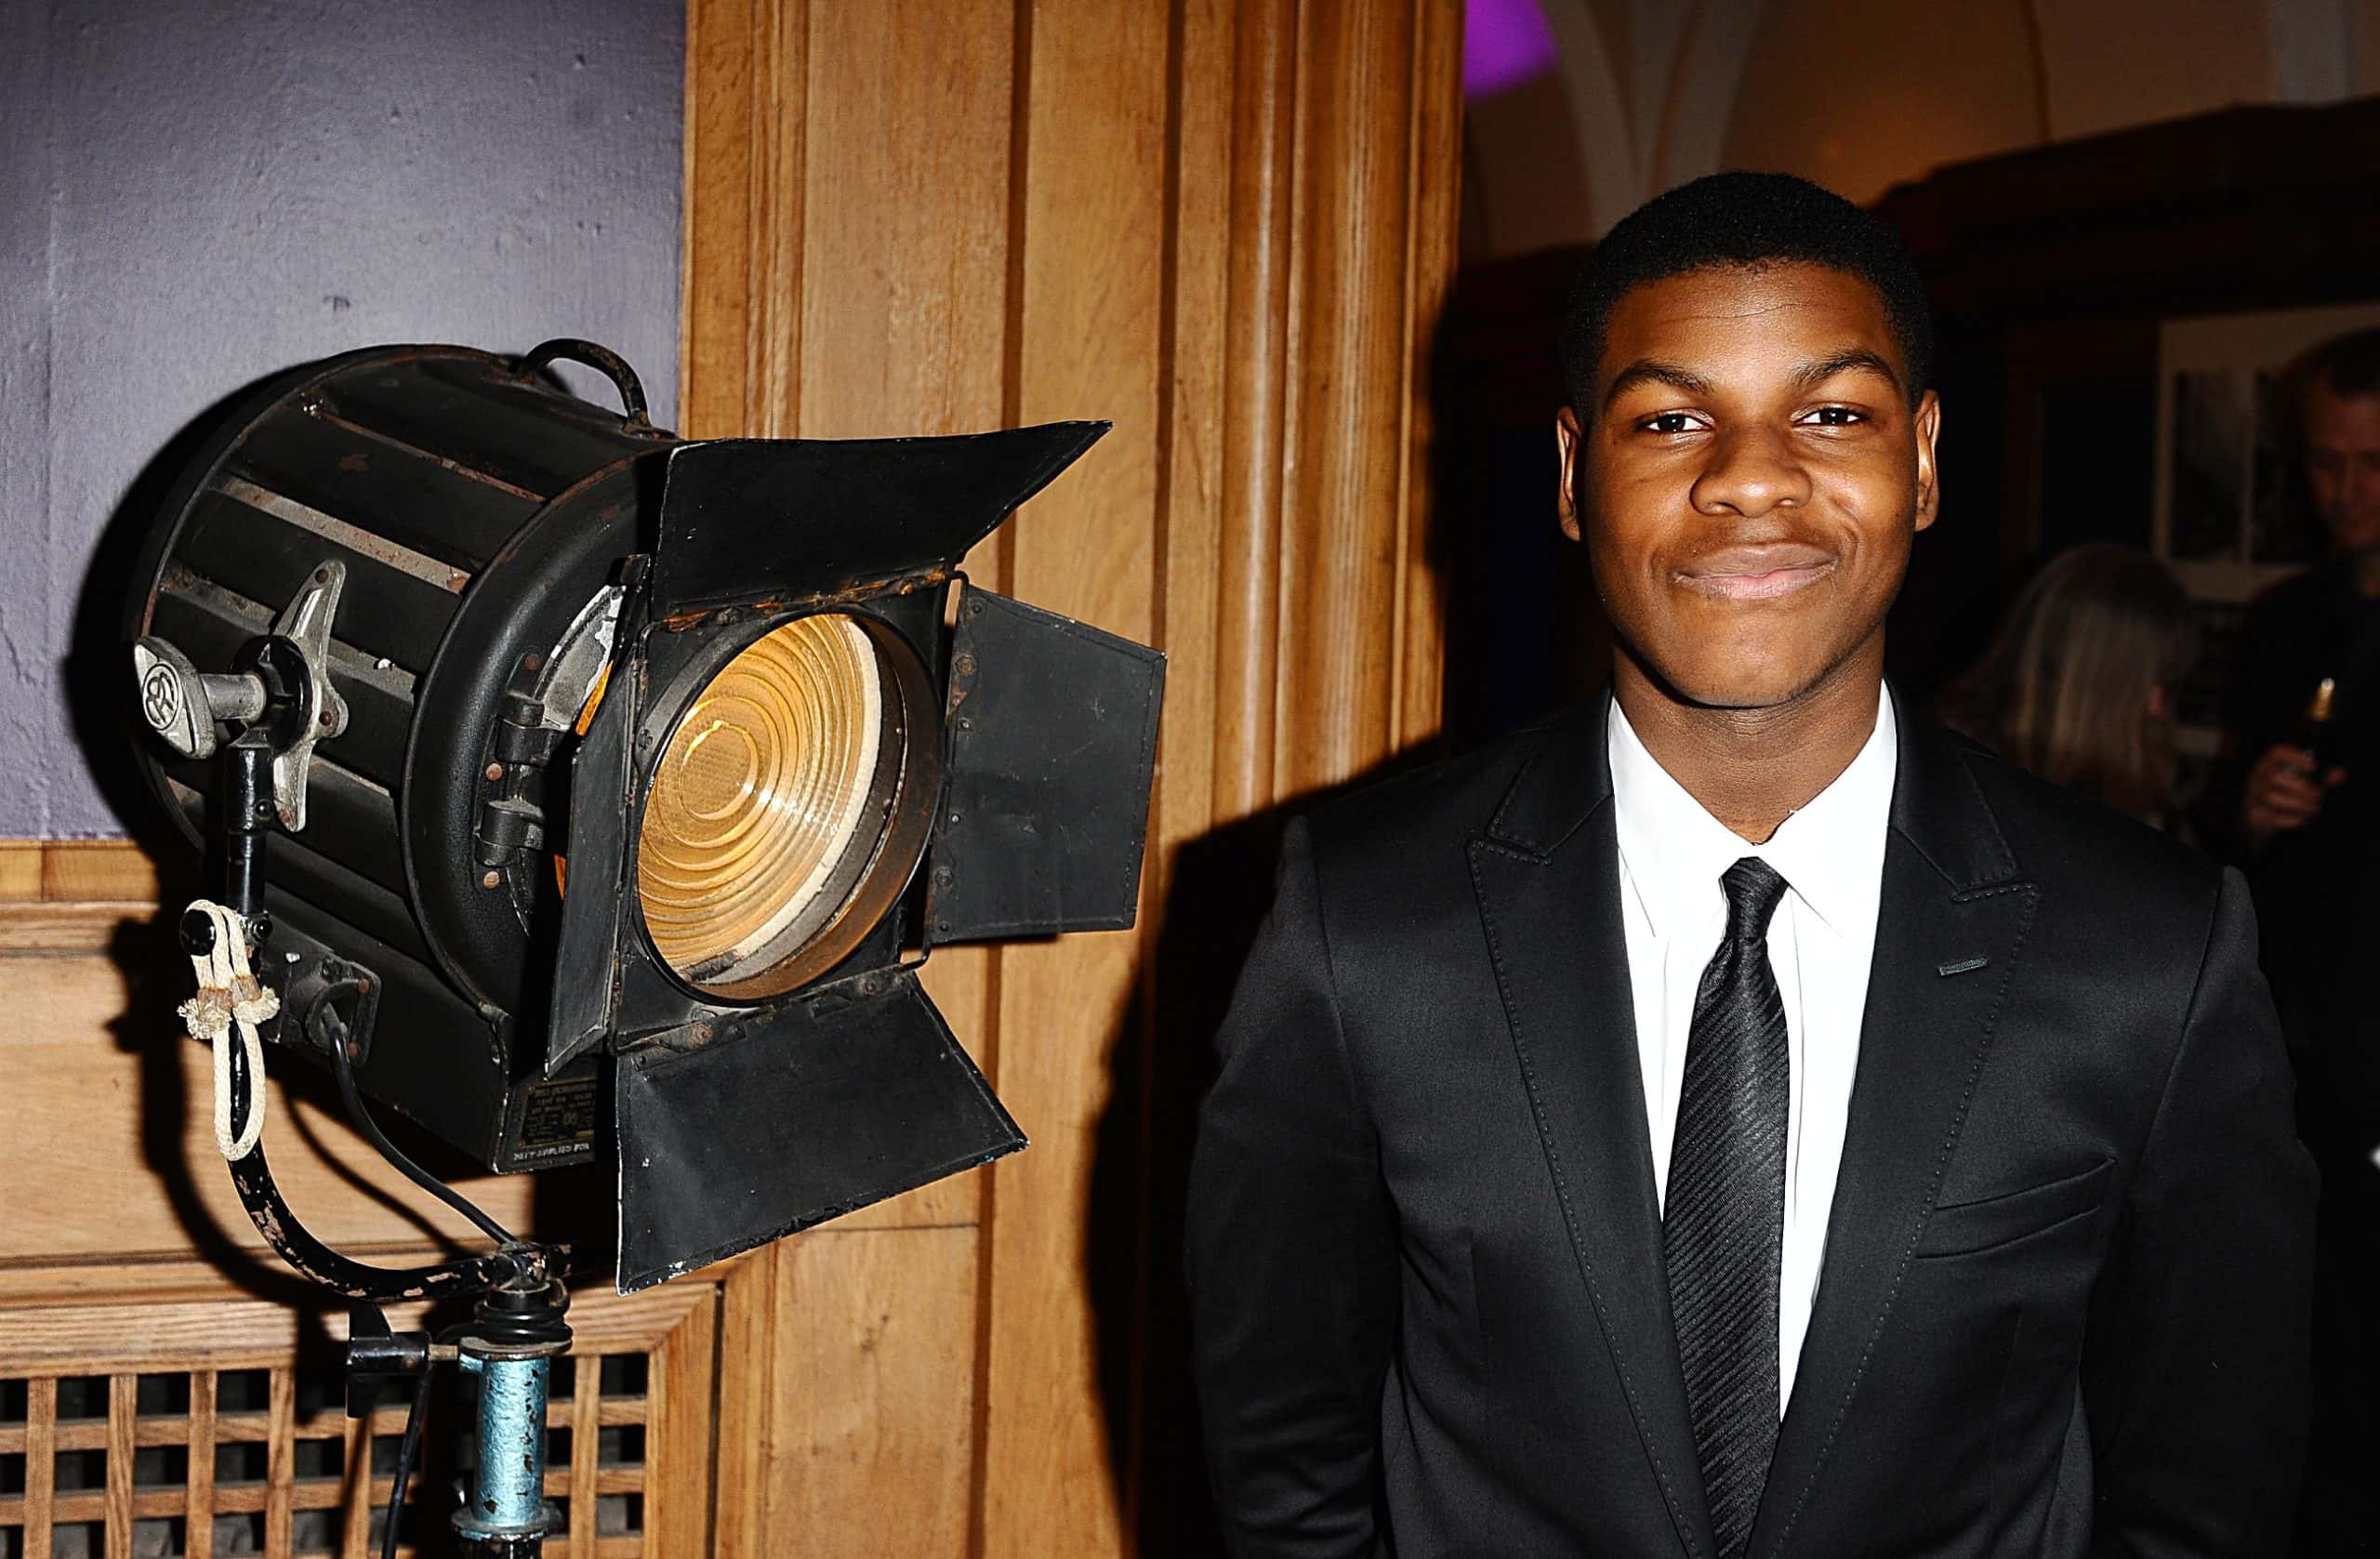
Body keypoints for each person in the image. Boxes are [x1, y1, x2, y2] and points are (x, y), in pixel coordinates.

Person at [1186, 172, 2313, 1558]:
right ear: (1568, 475)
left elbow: (2209, 1491)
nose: (1752, 476)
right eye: (1670, 418)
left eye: (1833, 412)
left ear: (1926, 459)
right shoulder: (1363, 921)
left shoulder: (2149, 948)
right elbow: (1283, 1470)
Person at [2215, 326, 2380, 1555]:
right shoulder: (2290, 619)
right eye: (2327, 464)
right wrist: (2248, 810)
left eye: (2374, 464)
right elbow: (2224, 824)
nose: (2349, 493)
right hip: (2306, 1024)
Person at [1937, 543, 2198, 826]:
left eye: (2169, 685)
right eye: (2150, 683)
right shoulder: (1958, 777)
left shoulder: (2145, 775)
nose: (2157, 707)